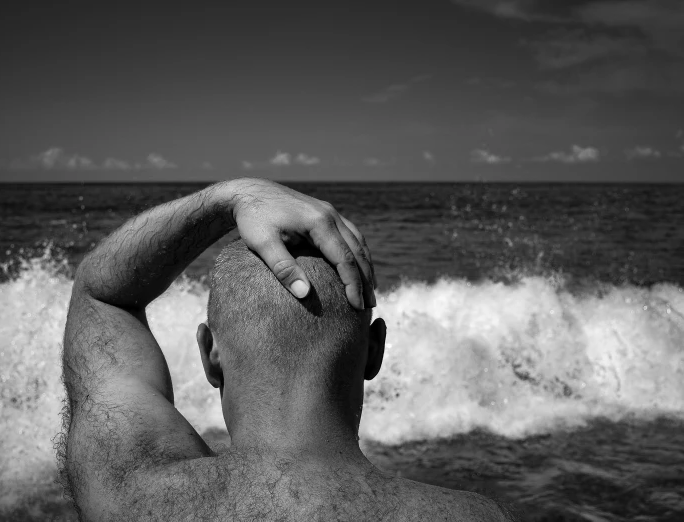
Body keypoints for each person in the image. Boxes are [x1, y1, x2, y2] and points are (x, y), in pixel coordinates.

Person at [60, 178, 515, 521]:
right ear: (375, 352)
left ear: (209, 353)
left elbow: (102, 295)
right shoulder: (471, 517)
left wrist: (233, 197)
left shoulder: (133, 494)